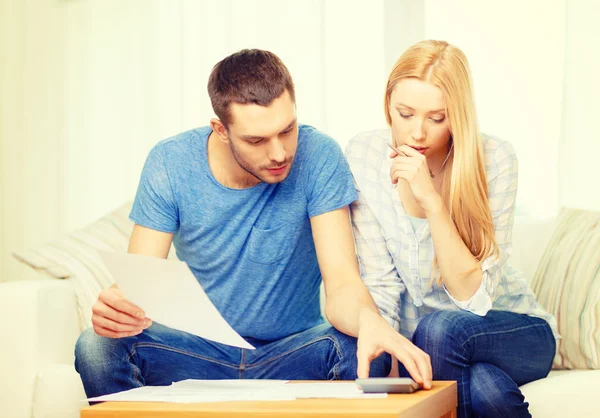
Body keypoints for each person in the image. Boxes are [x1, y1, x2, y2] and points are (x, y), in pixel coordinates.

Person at [74, 49, 433, 398]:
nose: (278, 153)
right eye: (256, 140)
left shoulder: (320, 154)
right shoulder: (170, 162)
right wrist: (119, 307)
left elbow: (341, 282)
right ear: (221, 129)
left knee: (367, 345)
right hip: (199, 354)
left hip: (293, 352)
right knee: (96, 347)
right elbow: (141, 282)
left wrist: (369, 320)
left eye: (287, 130)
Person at [345, 40, 558, 418]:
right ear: (387, 105)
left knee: (439, 328)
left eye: (436, 118)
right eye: (405, 114)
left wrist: (432, 201)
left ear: (457, 115)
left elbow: (473, 296)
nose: (417, 133)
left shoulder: (495, 158)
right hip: (435, 347)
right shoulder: (364, 154)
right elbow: (379, 287)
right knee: (484, 388)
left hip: (514, 330)